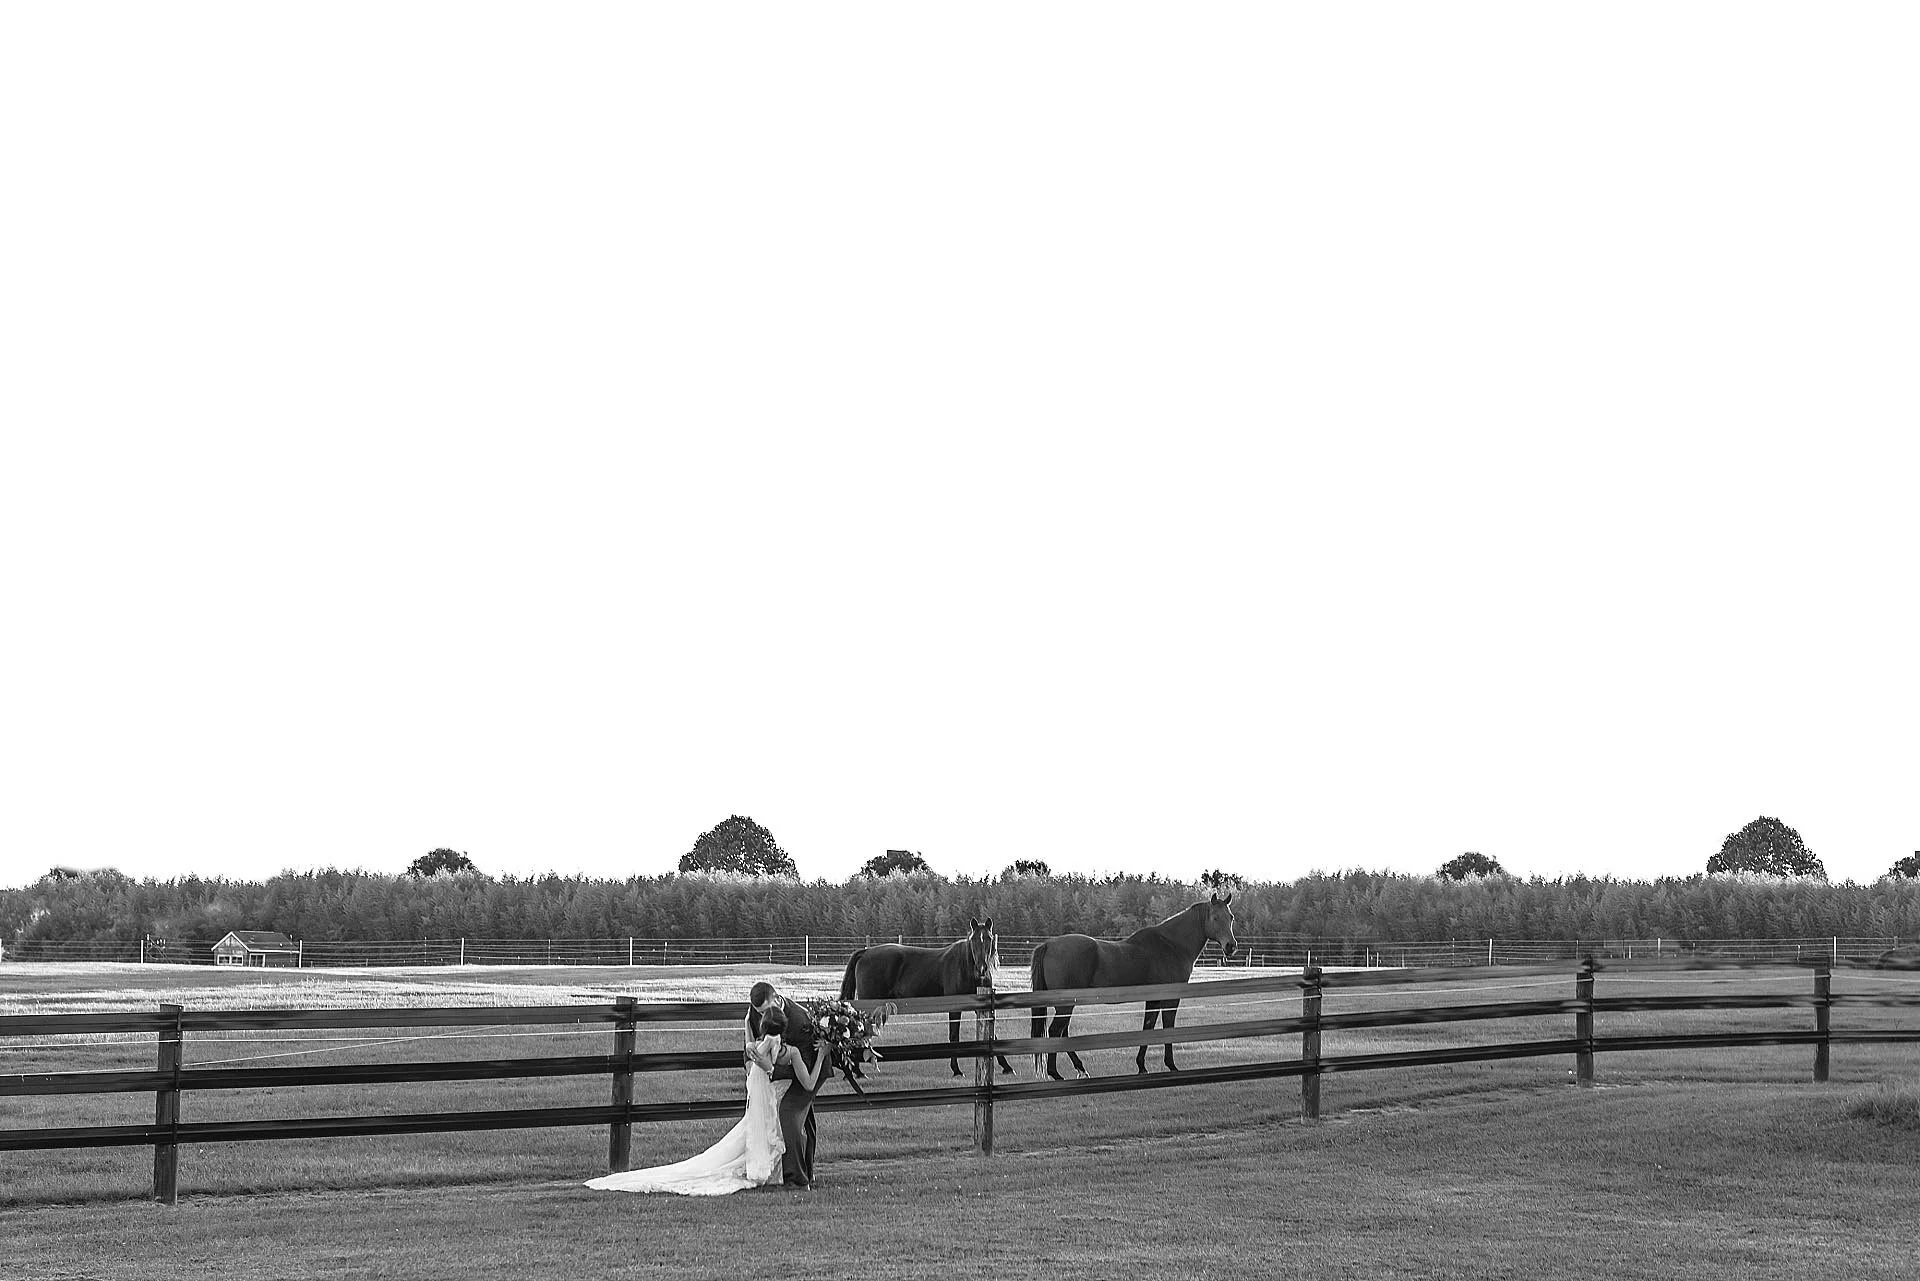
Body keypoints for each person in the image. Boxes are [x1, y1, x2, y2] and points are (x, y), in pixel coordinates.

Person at [584, 990, 826, 1195]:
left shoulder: (759, 1045)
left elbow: (752, 1050)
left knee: (778, 1127)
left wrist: (748, 1034)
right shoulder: (789, 1051)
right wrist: (822, 1054)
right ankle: (794, 1176)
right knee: (783, 1127)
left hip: (769, 1089)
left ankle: (793, 1173)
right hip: (780, 1086)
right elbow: (803, 1080)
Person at [747, 980, 828, 1189]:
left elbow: (807, 1075)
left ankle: (797, 1180)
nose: (761, 1016)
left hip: (809, 1068)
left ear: (776, 999)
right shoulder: (757, 1011)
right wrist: (750, 1058)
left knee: (790, 1114)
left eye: (764, 1011)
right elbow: (750, 1034)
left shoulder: (800, 1022)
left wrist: (771, 1069)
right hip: (777, 1074)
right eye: (758, 1012)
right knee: (793, 1118)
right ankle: (805, 1172)